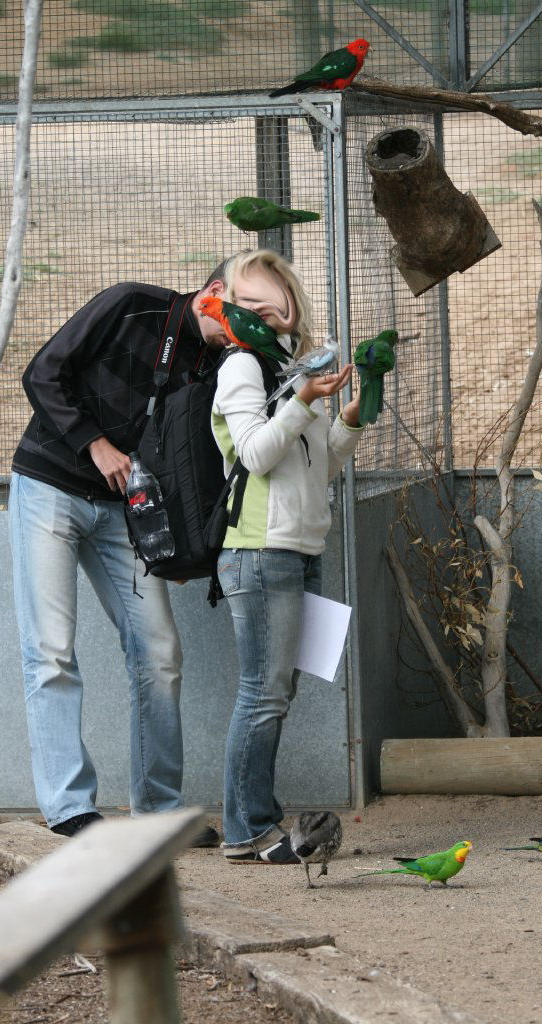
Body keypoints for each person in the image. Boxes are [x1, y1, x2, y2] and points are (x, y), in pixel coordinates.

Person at [8, 251, 302, 840]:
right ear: (214, 292)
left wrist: (183, 549)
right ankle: (69, 808)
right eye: (254, 313)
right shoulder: (130, 303)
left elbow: (199, 463)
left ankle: (159, 812)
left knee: (159, 652)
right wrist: (95, 445)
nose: (259, 330)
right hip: (49, 483)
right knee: (51, 650)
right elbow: (41, 373)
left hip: (127, 512)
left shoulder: (226, 364)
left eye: (274, 324)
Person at [210, 250, 366, 864]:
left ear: (290, 298)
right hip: (258, 550)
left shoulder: (293, 365)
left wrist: (346, 423)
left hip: (302, 548)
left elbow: (318, 467)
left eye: (269, 296)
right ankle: (246, 828)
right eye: (245, 302)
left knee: (281, 691)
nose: (260, 309)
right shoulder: (242, 367)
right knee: (263, 691)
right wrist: (302, 399)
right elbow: (252, 454)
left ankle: (256, 818)